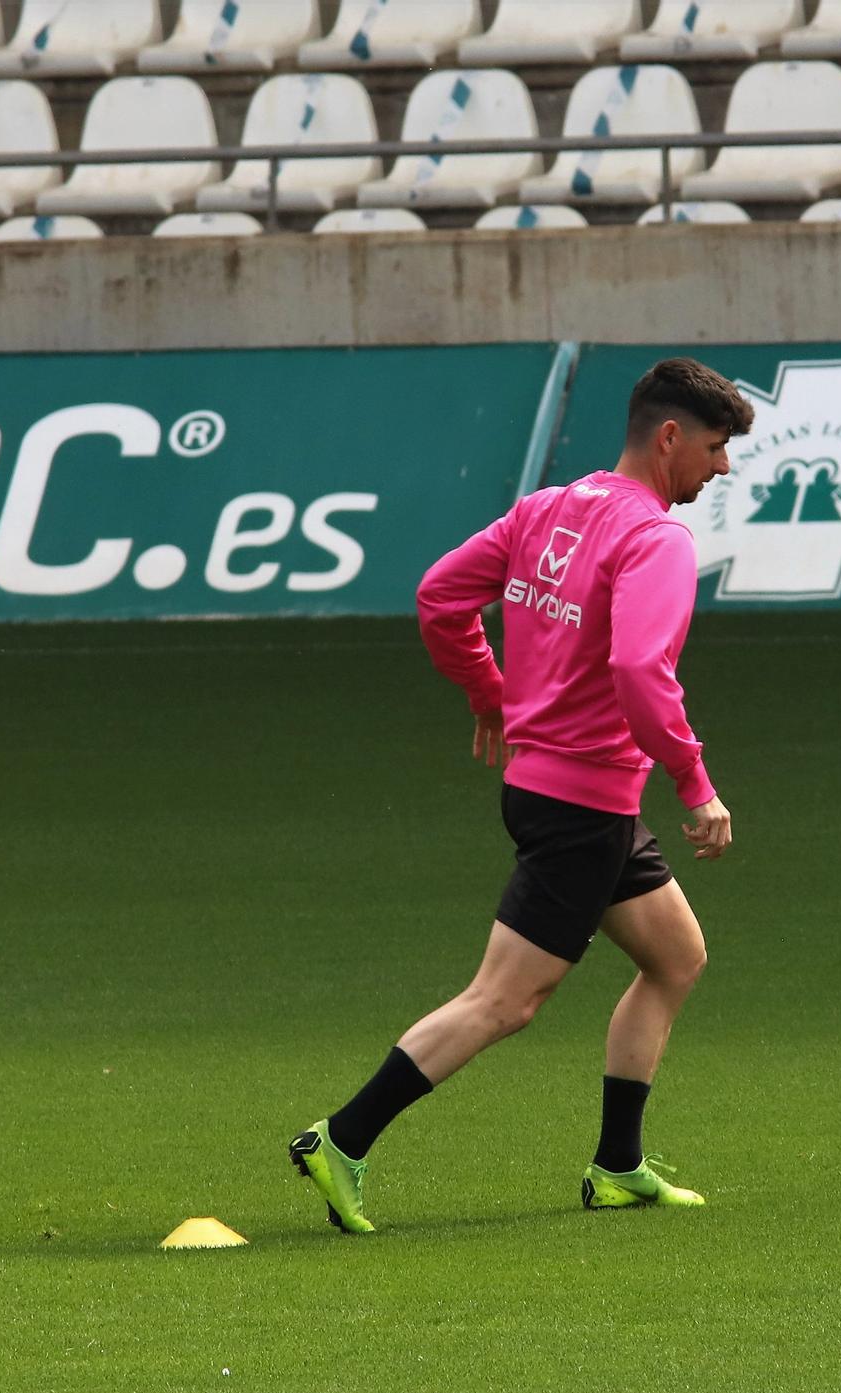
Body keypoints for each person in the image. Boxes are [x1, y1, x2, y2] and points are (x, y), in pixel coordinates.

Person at [289, 357, 751, 1233]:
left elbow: (439, 597)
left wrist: (490, 693)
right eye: (717, 448)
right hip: (580, 805)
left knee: (676, 956)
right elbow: (639, 671)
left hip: (574, 798)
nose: (721, 468)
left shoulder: (547, 509)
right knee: (505, 1000)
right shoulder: (656, 539)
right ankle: (341, 1139)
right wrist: (695, 784)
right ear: (669, 438)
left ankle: (617, 1164)